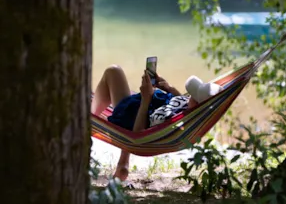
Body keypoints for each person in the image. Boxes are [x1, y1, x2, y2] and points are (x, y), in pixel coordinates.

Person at [91, 65, 220, 181]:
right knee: (115, 73)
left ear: (197, 104)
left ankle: (90, 121)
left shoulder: (166, 118)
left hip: (130, 114)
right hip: (141, 103)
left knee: (112, 71)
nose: (189, 97)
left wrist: (146, 98)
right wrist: (168, 88)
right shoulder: (188, 111)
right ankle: (122, 163)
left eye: (192, 95)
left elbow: (137, 135)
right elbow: (181, 104)